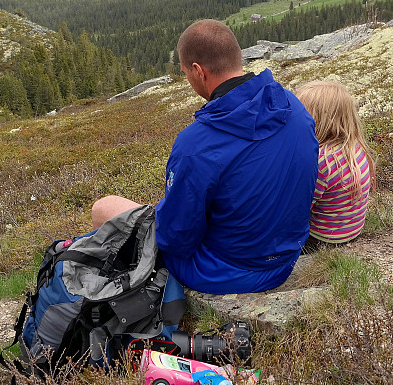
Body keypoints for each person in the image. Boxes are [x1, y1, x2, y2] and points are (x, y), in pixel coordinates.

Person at [92, 19, 318, 294]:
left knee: (104, 208)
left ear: (198, 71)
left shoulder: (196, 143)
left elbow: (176, 240)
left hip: (225, 271)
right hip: (286, 260)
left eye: (185, 71)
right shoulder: (294, 108)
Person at [294, 80, 375, 252]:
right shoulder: (353, 145)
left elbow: (299, 209)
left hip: (322, 239)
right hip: (349, 230)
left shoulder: (322, 161)